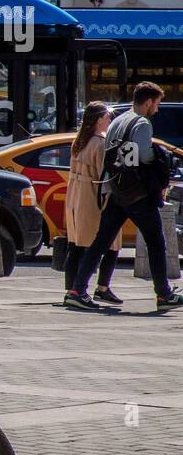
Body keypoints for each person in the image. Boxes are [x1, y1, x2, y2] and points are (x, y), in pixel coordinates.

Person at [66, 81, 182, 310]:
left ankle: (77, 290)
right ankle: (163, 294)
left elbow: (112, 156)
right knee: (156, 241)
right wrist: (159, 160)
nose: (157, 109)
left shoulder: (118, 121)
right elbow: (144, 154)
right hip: (137, 193)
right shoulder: (141, 123)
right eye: (156, 104)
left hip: (116, 190)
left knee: (100, 241)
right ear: (147, 102)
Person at [63, 102, 122, 303]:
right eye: (107, 117)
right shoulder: (100, 143)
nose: (109, 120)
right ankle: (101, 287)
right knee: (111, 243)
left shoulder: (79, 141)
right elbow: (103, 175)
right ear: (98, 120)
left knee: (76, 243)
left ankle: (71, 288)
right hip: (93, 197)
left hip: (75, 195)